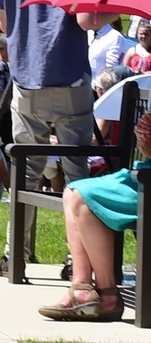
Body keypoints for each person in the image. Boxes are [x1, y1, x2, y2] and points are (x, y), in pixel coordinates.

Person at [0, 0, 117, 277]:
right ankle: (78, 261)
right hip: (71, 79)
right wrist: (113, 10)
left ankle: (14, 256)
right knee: (77, 174)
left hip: (27, 80)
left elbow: (4, 27)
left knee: (25, 171)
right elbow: (86, 22)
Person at [37, 110, 151, 321]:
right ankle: (82, 287)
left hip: (147, 182)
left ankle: (108, 295)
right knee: (72, 192)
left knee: (83, 197)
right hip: (142, 175)